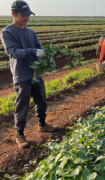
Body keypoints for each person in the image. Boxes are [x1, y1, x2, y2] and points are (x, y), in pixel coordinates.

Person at [0, 0, 56, 148]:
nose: (26, 17)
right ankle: (20, 134)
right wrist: (33, 51)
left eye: (28, 14)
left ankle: (42, 124)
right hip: (21, 75)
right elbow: (13, 52)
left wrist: (44, 53)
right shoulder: (7, 32)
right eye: (23, 15)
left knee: (42, 101)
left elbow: (38, 47)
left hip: (35, 74)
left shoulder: (31, 32)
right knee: (22, 106)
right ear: (14, 14)